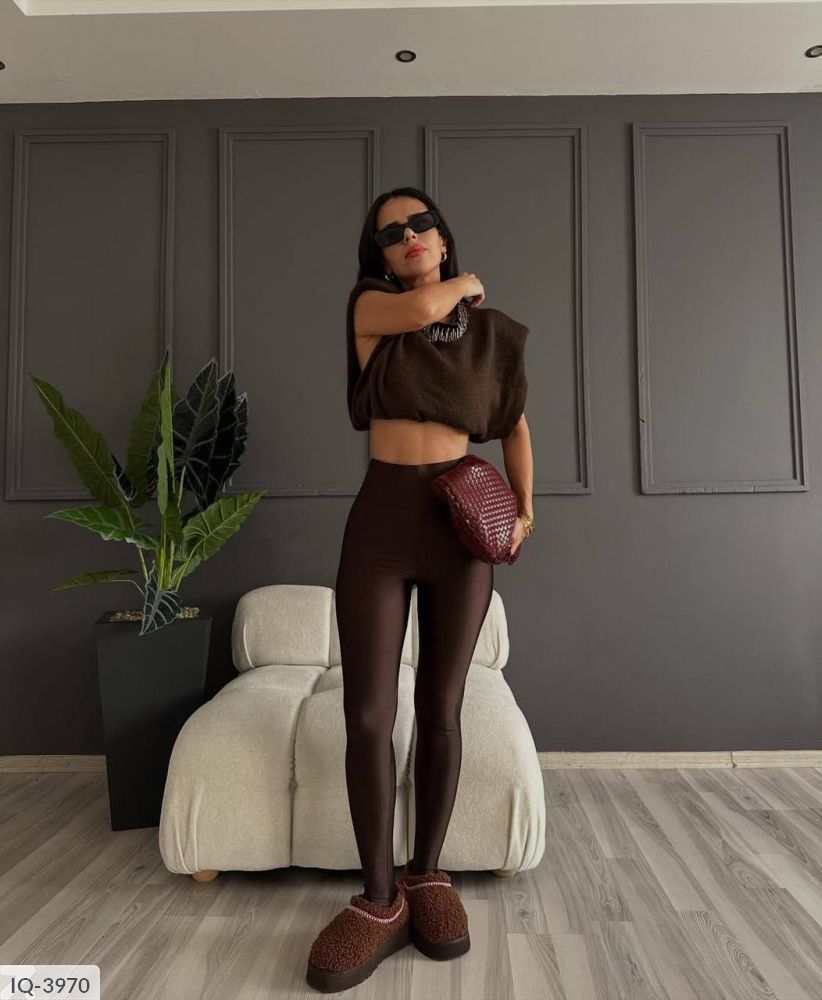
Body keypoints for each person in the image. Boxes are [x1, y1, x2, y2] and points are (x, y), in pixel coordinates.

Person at [306, 186, 535, 993]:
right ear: (379, 255)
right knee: (368, 714)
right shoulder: (372, 308)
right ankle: (378, 901)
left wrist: (526, 511)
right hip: (381, 522)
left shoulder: (492, 336)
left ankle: (426, 874)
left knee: (442, 706)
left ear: (442, 233)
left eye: (420, 224)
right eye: (390, 233)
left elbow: (514, 425)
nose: (408, 236)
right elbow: (423, 309)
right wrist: (464, 282)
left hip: (458, 523)